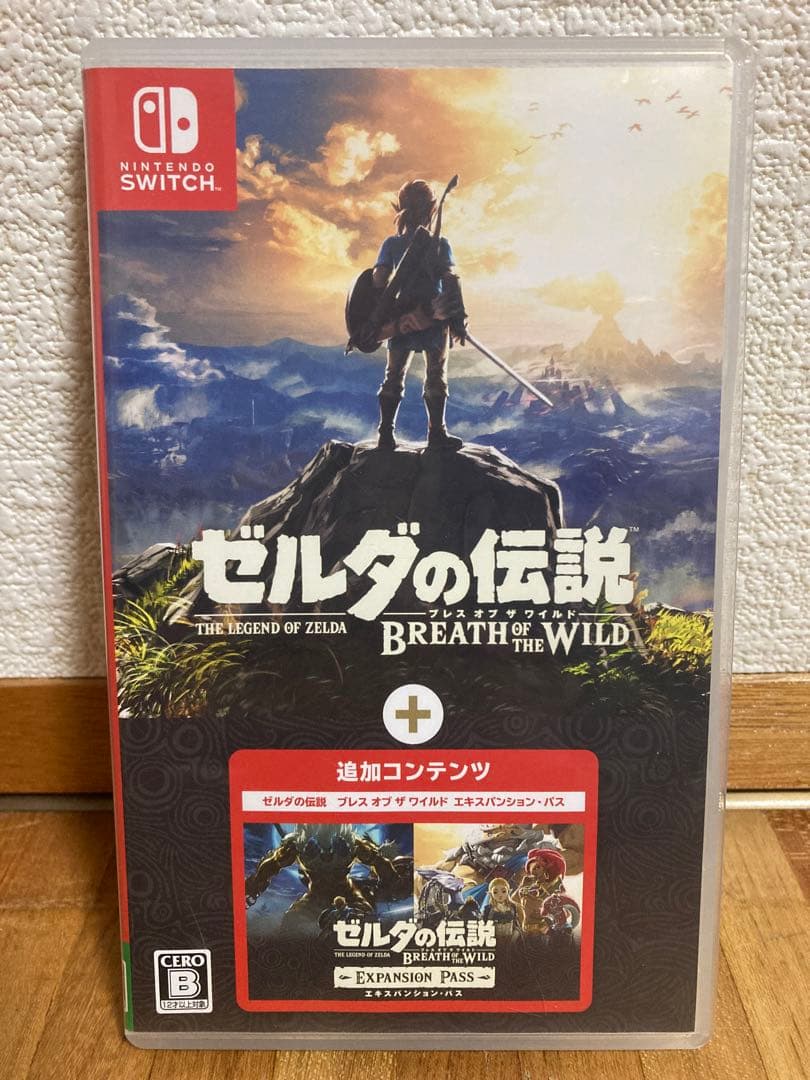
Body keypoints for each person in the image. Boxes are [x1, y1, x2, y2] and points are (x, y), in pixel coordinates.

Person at [372, 179, 466, 451]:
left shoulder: (391, 244)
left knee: (393, 376)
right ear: (430, 209)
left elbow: (378, 280)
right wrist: (457, 318)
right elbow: (450, 280)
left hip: (402, 320)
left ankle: (386, 434)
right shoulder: (440, 244)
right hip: (433, 318)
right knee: (436, 375)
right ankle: (436, 433)